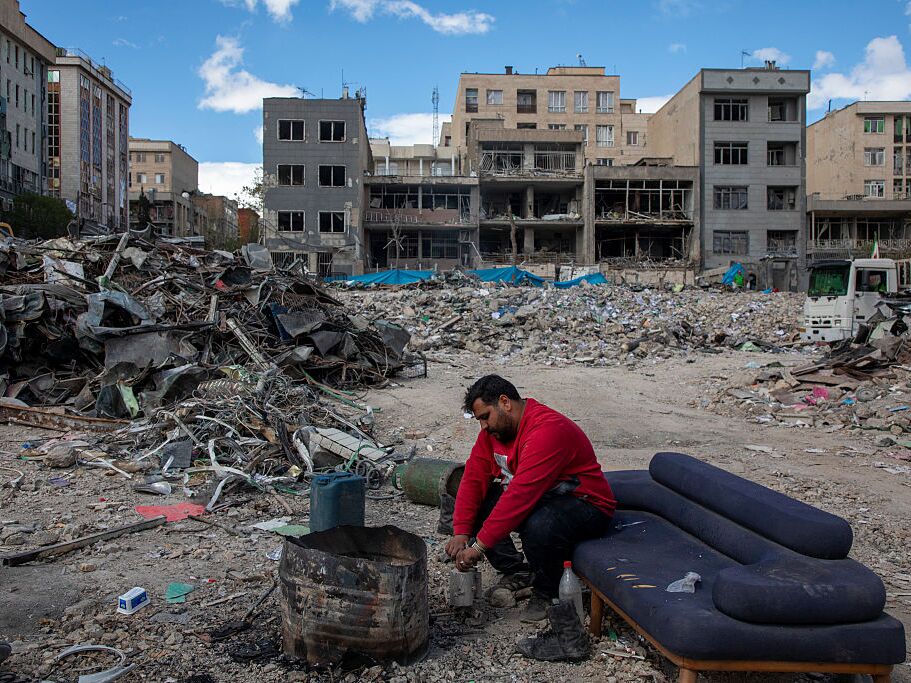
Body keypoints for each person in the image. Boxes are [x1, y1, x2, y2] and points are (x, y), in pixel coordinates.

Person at [446, 375, 616, 629]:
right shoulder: (493, 435)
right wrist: (461, 532)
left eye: (485, 417)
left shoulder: (546, 431)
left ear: (505, 403)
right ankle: (516, 570)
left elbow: (519, 498)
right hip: (545, 496)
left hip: (587, 504)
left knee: (540, 524)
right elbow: (473, 480)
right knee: (486, 499)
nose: (483, 426)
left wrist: (478, 547)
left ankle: (548, 592)